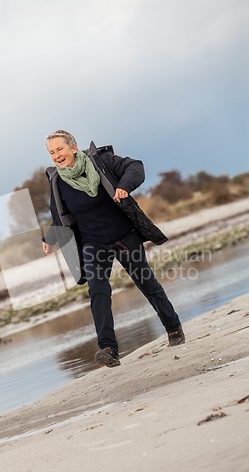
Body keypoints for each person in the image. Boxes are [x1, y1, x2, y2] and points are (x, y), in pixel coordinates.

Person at [42, 130, 185, 367]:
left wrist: (125, 186)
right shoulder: (58, 182)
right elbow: (59, 216)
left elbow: (135, 166)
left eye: (60, 149)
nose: (56, 155)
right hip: (93, 244)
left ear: (73, 148)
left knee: (147, 284)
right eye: (52, 152)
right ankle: (108, 348)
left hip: (124, 236)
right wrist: (49, 237)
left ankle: (173, 327)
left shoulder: (102, 162)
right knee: (98, 291)